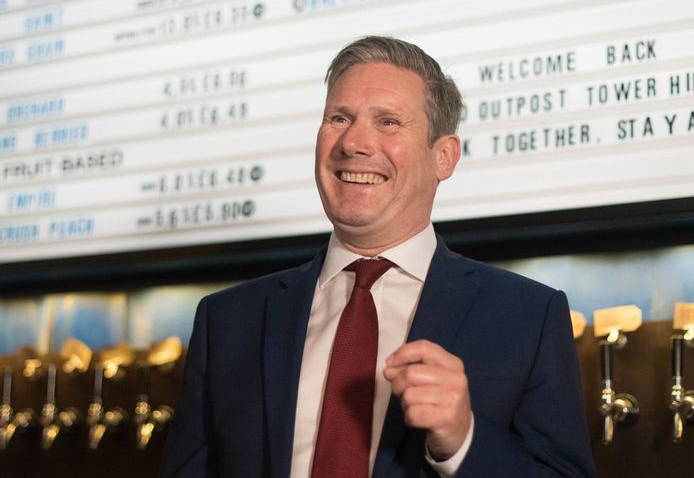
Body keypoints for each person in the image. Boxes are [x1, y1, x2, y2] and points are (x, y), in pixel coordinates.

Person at [160, 36, 595, 477]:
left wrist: (463, 441)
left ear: (444, 156)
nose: (353, 142)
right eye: (339, 118)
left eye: (387, 122)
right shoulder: (229, 320)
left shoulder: (527, 316)